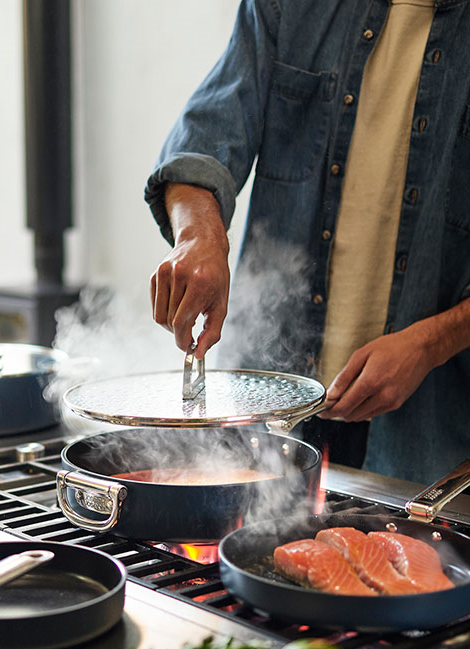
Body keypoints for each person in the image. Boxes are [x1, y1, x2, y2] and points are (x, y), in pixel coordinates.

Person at [145, 0, 470, 485]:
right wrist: (199, 236)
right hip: (273, 410)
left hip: (433, 432)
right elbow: (204, 136)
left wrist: (430, 343)